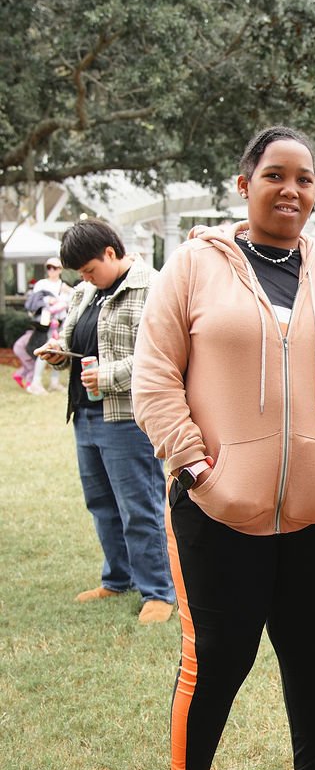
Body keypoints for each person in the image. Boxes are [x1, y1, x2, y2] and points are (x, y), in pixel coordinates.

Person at [131, 125, 315, 770]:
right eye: (275, 174)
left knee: (309, 649)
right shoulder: (193, 267)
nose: (292, 190)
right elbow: (154, 376)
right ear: (243, 183)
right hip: (217, 509)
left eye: (305, 179)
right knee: (216, 660)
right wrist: (196, 464)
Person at [35, 222, 176, 624]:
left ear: (111, 253)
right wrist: (59, 353)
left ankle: (158, 592)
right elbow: (74, 341)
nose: (84, 279)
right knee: (101, 504)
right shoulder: (85, 292)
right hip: (86, 413)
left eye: (89, 270)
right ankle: (118, 579)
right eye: (79, 274)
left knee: (139, 508)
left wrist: (110, 375)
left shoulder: (154, 287)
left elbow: (162, 355)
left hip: (128, 418)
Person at [13, 257, 71, 391]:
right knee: (44, 350)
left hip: (60, 324)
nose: (51, 270)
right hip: (45, 324)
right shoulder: (41, 284)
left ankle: (54, 382)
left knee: (60, 350)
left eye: (54, 267)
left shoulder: (64, 286)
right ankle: (36, 382)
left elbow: (71, 300)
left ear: (60, 270)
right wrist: (48, 301)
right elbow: (34, 302)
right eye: (49, 267)